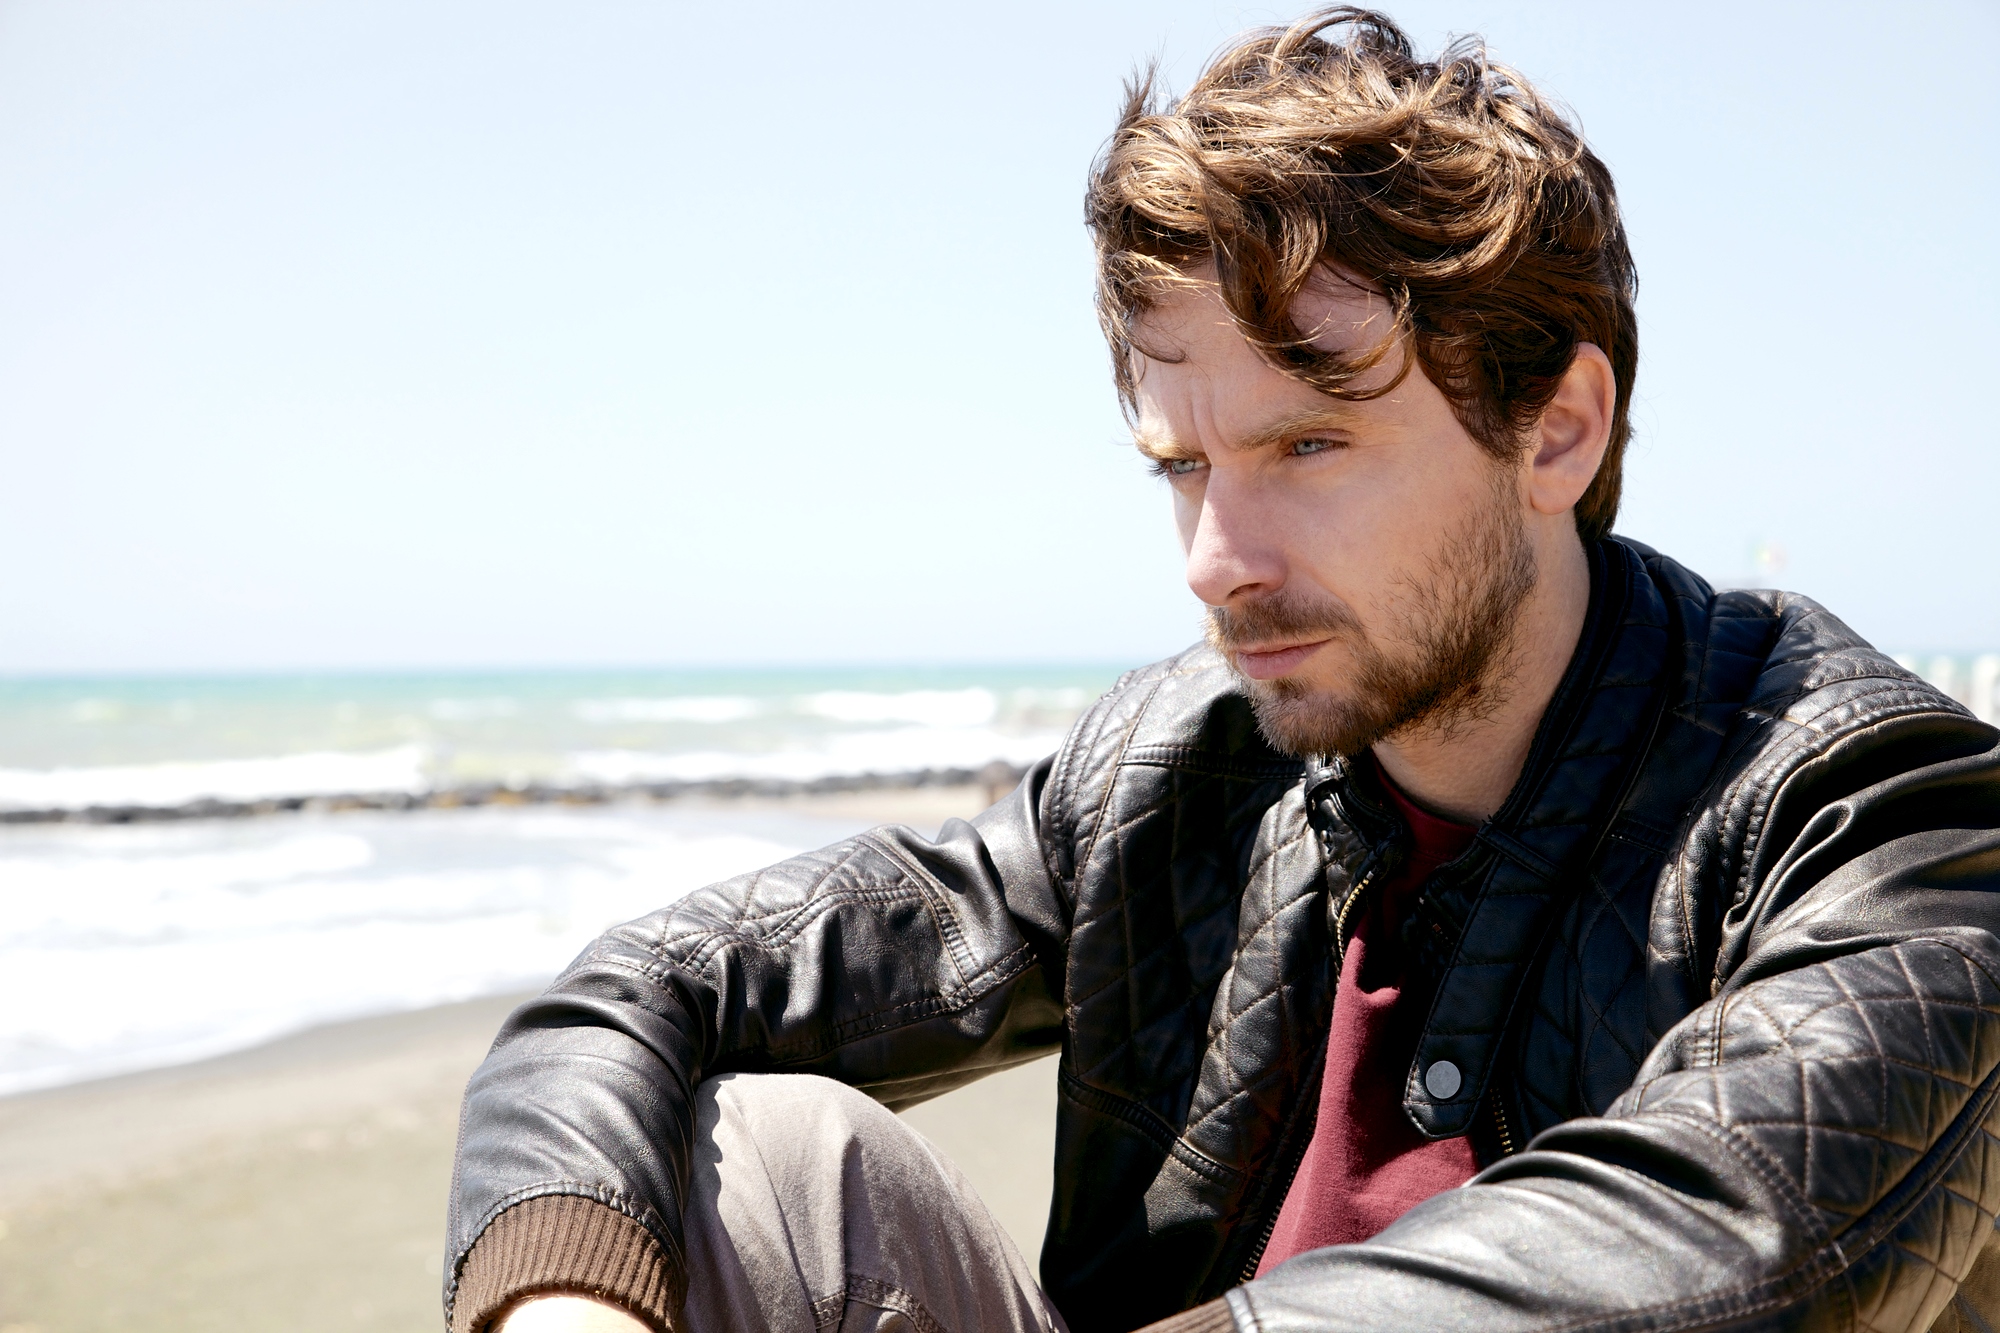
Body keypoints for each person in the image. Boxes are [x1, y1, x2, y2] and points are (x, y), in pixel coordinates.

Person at [443, 9, 2000, 1333]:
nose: (1216, 557)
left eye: (1308, 444)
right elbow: (633, 994)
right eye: (1183, 466)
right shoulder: (1173, 768)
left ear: (1558, 428)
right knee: (770, 1157)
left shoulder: (1880, 811)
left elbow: (1734, 1244)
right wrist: (567, 1300)